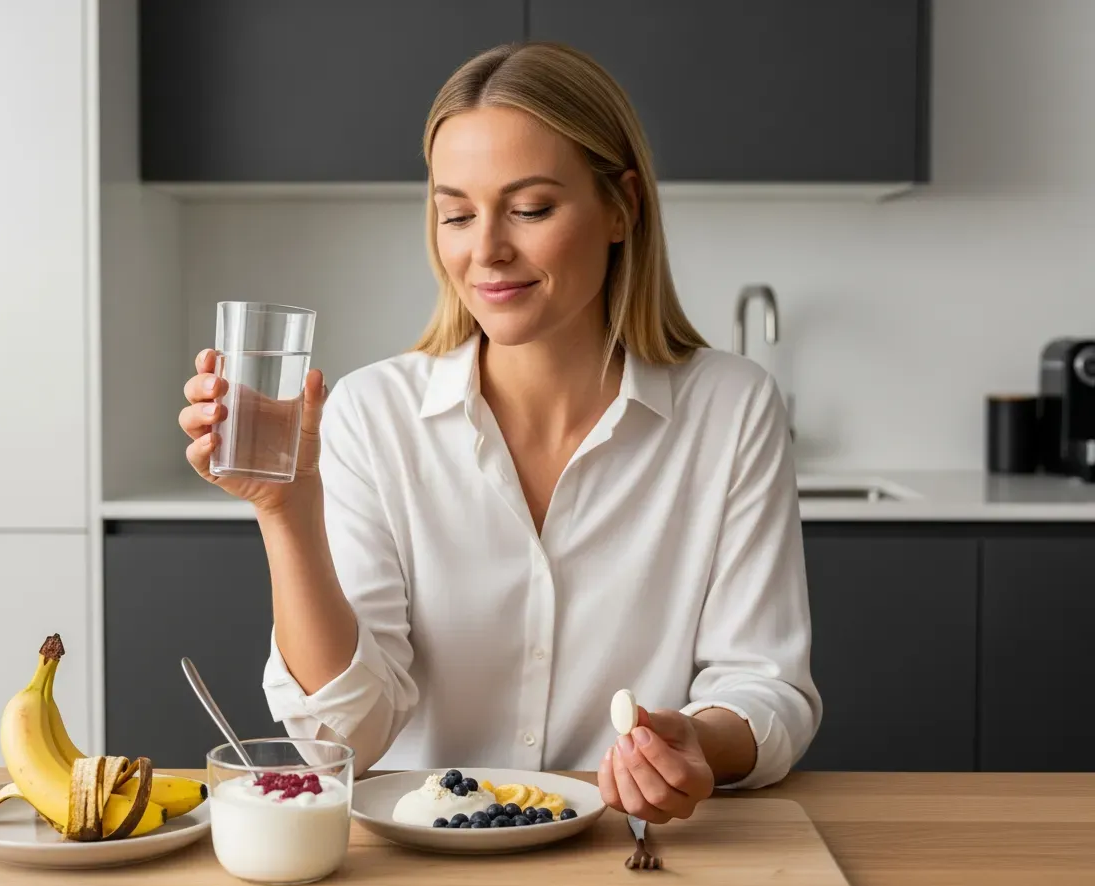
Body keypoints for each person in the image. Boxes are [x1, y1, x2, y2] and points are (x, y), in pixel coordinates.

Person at [178, 41, 821, 824]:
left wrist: (694, 739)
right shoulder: (371, 413)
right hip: (419, 864)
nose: (485, 250)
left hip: (628, 856)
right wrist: (285, 510)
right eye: (456, 213)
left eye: (530, 209)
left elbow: (766, 688)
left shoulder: (730, 407)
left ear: (622, 207)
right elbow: (341, 738)